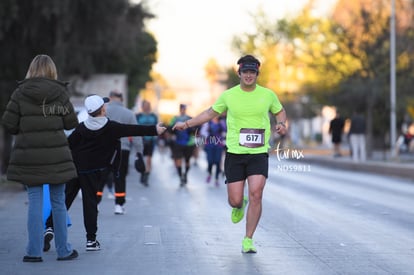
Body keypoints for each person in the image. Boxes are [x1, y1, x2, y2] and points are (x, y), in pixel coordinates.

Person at [173, 54, 287, 253]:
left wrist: (281, 123)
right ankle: (238, 204)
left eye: (253, 72)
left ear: (257, 74)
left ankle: (248, 239)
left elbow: (280, 111)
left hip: (259, 152)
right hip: (234, 153)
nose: (249, 75)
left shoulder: (268, 95)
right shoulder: (228, 95)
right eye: (246, 72)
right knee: (234, 200)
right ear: (239, 73)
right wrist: (188, 124)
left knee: (256, 194)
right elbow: (209, 113)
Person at [44, 94, 166, 251]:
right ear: (102, 109)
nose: (106, 106)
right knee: (90, 204)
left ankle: (49, 227)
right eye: (104, 105)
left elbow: (68, 146)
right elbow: (133, 129)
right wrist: (155, 130)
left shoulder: (81, 128)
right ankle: (91, 241)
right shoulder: (111, 127)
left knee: (64, 200)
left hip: (74, 169)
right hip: (92, 172)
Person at [1, 54, 78, 262]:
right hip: (57, 157)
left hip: (29, 156)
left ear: (31, 70)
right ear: (52, 71)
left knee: (35, 202)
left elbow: (9, 124)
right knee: (58, 202)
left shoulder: (19, 93)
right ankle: (63, 251)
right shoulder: (60, 93)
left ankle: (33, 252)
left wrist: (25, 127)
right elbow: (71, 123)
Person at [101, 90, 144, 214]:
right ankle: (119, 205)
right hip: (123, 149)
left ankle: (96, 203)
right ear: (122, 99)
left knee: (101, 177)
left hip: (104, 149)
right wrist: (139, 152)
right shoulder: (129, 114)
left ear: (110, 98)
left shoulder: (103, 111)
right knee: (119, 177)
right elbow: (136, 133)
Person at [169, 104, 197, 186]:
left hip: (189, 143)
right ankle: (181, 176)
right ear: (180, 109)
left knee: (187, 161)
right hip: (178, 142)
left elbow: (196, 128)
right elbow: (170, 128)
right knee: (178, 160)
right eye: (182, 108)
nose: (183, 110)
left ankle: (185, 174)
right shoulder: (175, 118)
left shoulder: (190, 118)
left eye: (184, 108)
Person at [136, 100, 159, 186]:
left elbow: (157, 128)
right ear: (142, 107)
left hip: (151, 141)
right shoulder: (138, 116)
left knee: (149, 159)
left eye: (148, 105)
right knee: (141, 159)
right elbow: (135, 127)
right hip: (141, 141)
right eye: (145, 105)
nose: (147, 107)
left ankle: (146, 177)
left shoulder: (154, 116)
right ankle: (142, 173)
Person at [200, 116, 226, 186]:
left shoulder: (222, 122)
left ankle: (216, 179)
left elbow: (225, 131)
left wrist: (223, 139)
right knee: (210, 161)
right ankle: (209, 174)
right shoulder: (208, 123)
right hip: (209, 144)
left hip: (219, 145)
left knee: (218, 161)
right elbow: (202, 132)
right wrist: (208, 135)